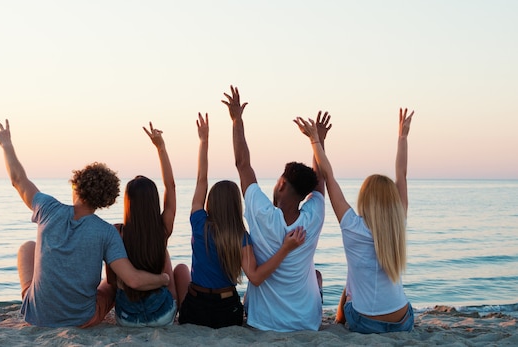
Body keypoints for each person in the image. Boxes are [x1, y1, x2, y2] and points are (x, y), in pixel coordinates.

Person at [0, 119, 169, 328]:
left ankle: (31, 300)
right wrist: (163, 279)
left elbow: (18, 180)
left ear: (76, 185)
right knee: (111, 284)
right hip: (82, 320)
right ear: (106, 201)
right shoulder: (107, 232)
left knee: (26, 248)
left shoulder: (47, 208)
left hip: (38, 316)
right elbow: (133, 280)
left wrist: (6, 144)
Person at [178, 112, 306, 329]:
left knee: (180, 271)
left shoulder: (198, 222)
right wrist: (285, 249)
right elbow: (255, 278)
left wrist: (204, 141)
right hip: (226, 311)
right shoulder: (242, 237)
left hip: (196, 309)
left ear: (211, 202)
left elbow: (201, 179)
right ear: (236, 205)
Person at [293, 108, 415, 334]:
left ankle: (339, 320)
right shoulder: (399, 222)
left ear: (366, 200)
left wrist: (315, 141)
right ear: (391, 200)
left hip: (366, 323)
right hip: (403, 319)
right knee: (354, 275)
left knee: (352, 282)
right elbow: (402, 175)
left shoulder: (353, 226)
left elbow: (328, 176)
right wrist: (402, 137)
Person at [221, 86, 328, 332]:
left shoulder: (261, 214)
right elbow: (319, 181)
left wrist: (237, 120)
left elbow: (242, 164)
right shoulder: (314, 216)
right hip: (307, 322)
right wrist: (317, 141)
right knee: (316, 274)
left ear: (281, 185)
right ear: (304, 195)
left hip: (264, 323)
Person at [105, 123, 190, 327]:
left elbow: (111, 281)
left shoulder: (115, 232)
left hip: (127, 318)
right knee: (178, 267)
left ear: (128, 203)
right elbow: (171, 186)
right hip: (162, 314)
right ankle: (182, 314)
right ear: (154, 201)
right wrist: (160, 147)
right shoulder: (162, 229)